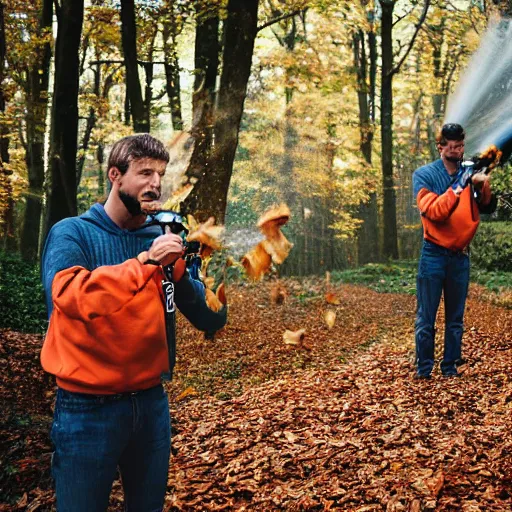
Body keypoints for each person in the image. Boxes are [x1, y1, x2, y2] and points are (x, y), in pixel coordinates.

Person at [40, 133, 227, 511]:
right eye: (144, 173)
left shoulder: (160, 235)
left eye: (160, 173)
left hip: (150, 405)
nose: (155, 183)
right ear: (115, 175)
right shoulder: (72, 232)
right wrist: (145, 263)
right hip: (86, 410)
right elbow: (70, 298)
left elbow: (204, 315)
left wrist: (205, 286)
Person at [412, 123, 495, 379]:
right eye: (452, 146)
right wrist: (459, 184)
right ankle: (424, 370)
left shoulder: (468, 173)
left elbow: (487, 208)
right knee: (426, 318)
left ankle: (450, 368)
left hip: (460, 256)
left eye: (461, 145)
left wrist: (482, 186)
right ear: (440, 147)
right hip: (434, 254)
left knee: (455, 320)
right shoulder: (424, 175)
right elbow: (435, 212)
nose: (458, 151)